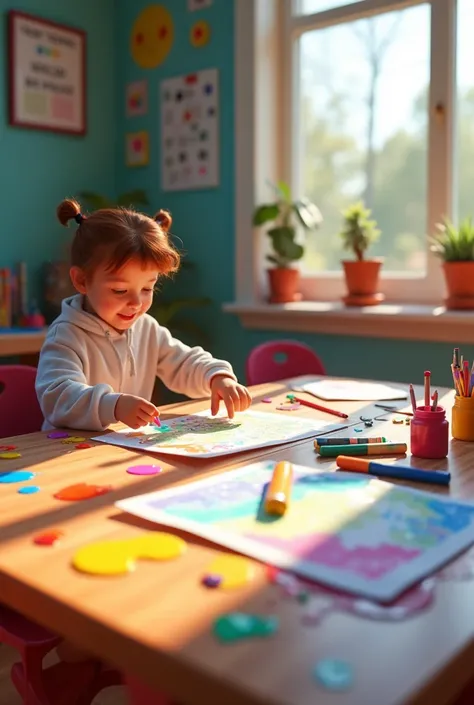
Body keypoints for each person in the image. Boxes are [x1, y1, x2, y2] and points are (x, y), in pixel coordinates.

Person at [36, 198, 252, 432]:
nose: (136, 303)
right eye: (119, 290)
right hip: (67, 455)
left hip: (123, 449)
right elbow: (58, 397)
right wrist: (113, 406)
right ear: (81, 280)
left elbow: (183, 362)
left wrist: (216, 377)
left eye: (147, 288)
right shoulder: (65, 335)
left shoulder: (146, 328)